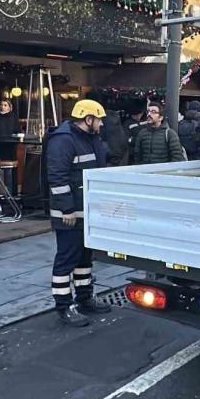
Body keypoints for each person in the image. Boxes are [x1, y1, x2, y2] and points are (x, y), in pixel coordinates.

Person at [46, 99, 112, 326]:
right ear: (88, 119)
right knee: (66, 259)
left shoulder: (90, 138)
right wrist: (67, 209)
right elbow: (57, 177)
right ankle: (64, 306)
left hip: (86, 211)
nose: (101, 124)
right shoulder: (63, 140)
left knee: (84, 258)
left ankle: (85, 298)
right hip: (69, 214)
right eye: (99, 119)